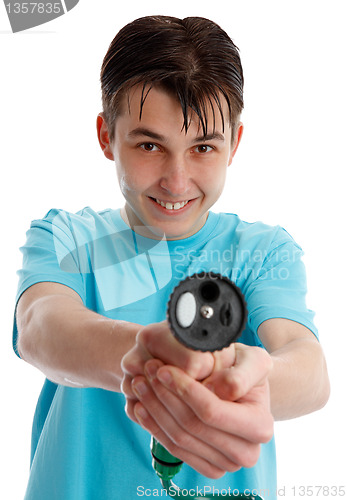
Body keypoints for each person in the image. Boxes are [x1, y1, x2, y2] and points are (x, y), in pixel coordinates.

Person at [14, 15, 330, 500]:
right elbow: (42, 329)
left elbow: (309, 372)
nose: (177, 181)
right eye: (149, 145)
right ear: (106, 137)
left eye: (203, 146)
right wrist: (160, 358)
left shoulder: (263, 252)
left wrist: (248, 376)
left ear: (234, 145)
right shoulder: (67, 236)